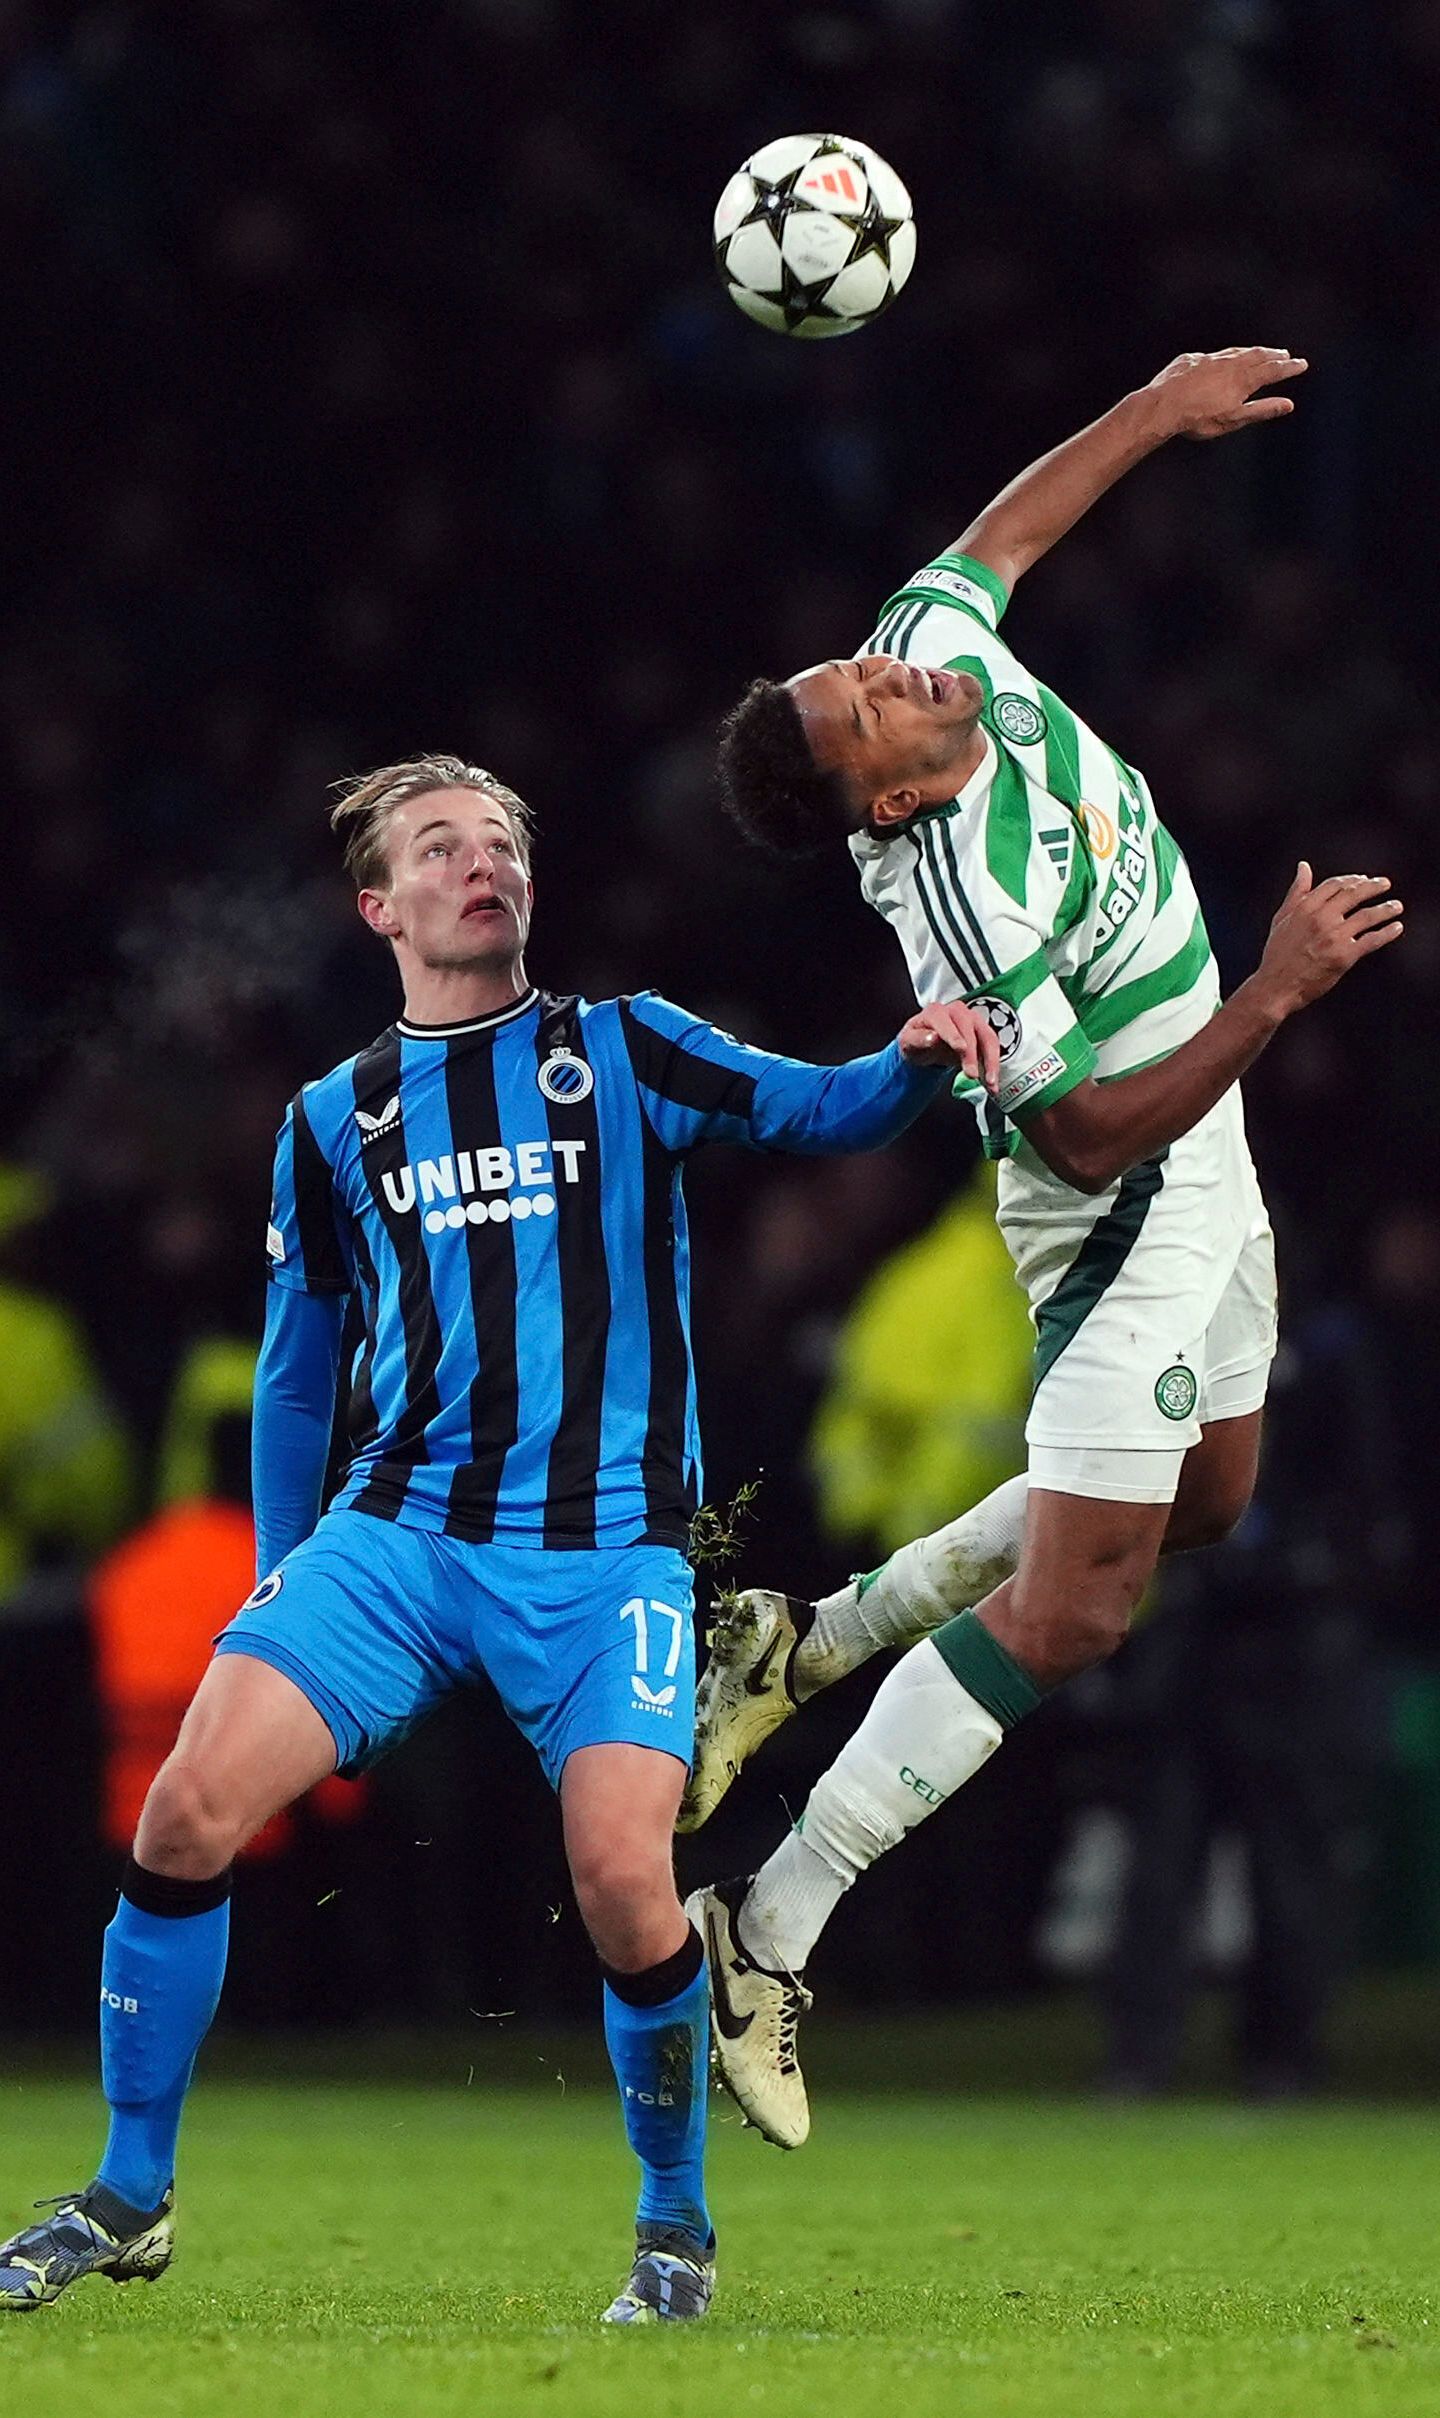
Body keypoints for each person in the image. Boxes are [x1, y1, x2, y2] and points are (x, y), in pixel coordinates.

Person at [0, 755, 997, 2323]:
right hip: (392, 1539)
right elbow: (297, 1355)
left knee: (619, 1875)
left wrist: (919, 1058)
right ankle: (130, 2193)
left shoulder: (622, 1049)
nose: (486, 865)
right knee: (186, 1812)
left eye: (506, 842)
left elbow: (823, 1108)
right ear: (379, 904)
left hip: (604, 1554)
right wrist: (279, 1558)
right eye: (443, 847)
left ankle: (676, 2230)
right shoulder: (336, 1116)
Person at [681, 348, 1404, 2148]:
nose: (893, 666)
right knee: (1088, 1602)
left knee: (1215, 1499)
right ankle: (768, 1928)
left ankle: (799, 1644)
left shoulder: (939, 664)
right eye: (866, 703)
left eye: (859, 663)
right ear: (886, 797)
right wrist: (1275, 991)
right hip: (1124, 1197)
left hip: (1205, 1148)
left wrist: (1158, 408)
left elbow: (1000, 539)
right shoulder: (955, 900)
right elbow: (1084, 1129)